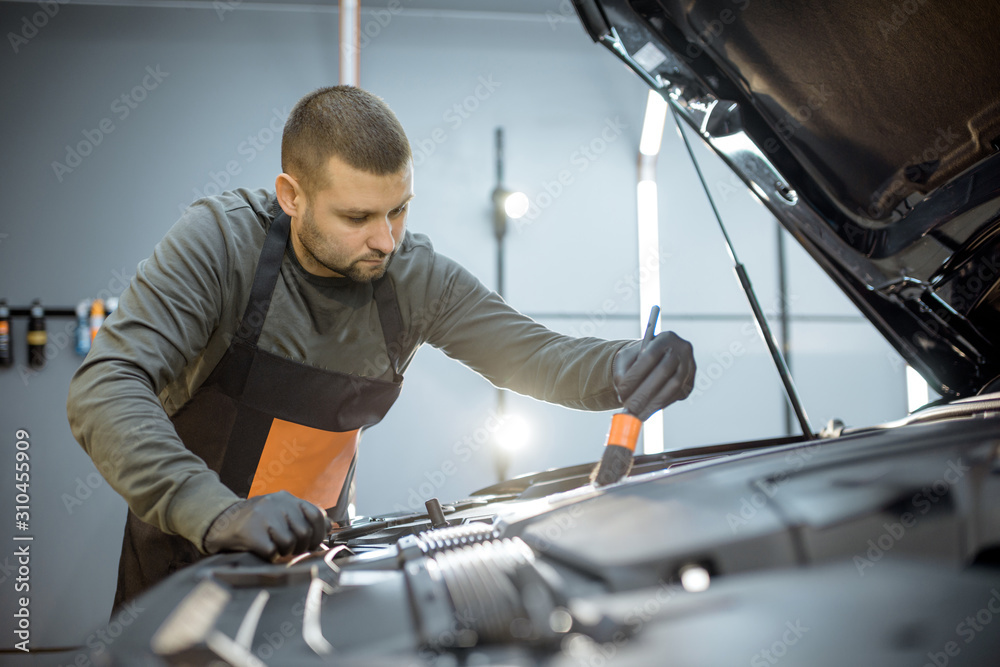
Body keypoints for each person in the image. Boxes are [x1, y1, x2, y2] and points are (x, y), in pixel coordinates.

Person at [66, 86, 696, 608]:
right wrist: (216, 512)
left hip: (314, 564)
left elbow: (532, 355)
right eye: (357, 218)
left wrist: (624, 365)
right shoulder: (220, 246)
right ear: (291, 197)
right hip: (181, 557)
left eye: (399, 211)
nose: (386, 240)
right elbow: (106, 386)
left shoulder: (414, 279)